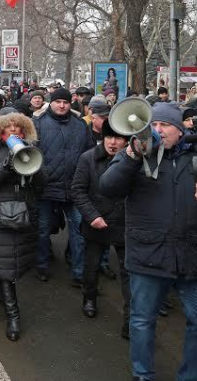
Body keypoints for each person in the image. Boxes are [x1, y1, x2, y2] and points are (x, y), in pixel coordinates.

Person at [100, 102, 197, 381]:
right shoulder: (133, 156)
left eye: (164, 125)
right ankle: (142, 374)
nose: (156, 130)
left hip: (195, 253)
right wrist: (131, 155)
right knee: (142, 321)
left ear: (180, 130)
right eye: (152, 125)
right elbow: (108, 188)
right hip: (148, 255)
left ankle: (191, 376)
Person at [0, 112, 45, 341]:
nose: (14, 130)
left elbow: (42, 186)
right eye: (9, 127)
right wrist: (7, 164)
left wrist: (33, 164)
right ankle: (13, 316)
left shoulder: (32, 150)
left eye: (19, 127)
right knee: (5, 265)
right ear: (0, 131)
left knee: (14, 262)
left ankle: (0, 285)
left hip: (23, 214)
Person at [70, 120, 131, 338]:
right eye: (109, 138)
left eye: (119, 138)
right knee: (92, 266)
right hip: (97, 221)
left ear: (127, 141)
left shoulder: (133, 160)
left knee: (129, 273)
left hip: (125, 223)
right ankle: (89, 298)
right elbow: (77, 190)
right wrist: (92, 215)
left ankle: (130, 318)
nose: (113, 143)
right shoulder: (88, 158)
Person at [33, 87, 95, 284]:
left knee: (79, 230)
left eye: (65, 102)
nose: (61, 105)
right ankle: (42, 265)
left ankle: (78, 272)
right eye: (58, 101)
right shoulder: (38, 124)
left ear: (71, 103)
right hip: (46, 187)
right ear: (50, 102)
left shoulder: (80, 125)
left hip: (74, 188)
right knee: (42, 230)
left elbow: (89, 153)